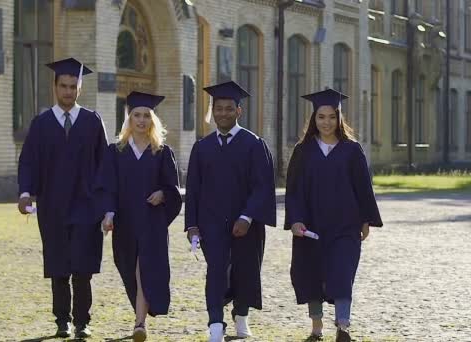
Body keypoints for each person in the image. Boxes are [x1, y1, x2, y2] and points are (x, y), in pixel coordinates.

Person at [17, 57, 108, 338]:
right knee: (58, 265)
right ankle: (62, 322)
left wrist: (106, 206)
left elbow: (104, 165)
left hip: (86, 206)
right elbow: (29, 161)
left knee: (82, 266)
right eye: (64, 86)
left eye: (73, 86)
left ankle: (82, 321)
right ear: (55, 87)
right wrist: (25, 193)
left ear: (80, 88)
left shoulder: (92, 122)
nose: (68, 91)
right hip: (53, 206)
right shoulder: (42, 124)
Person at [284, 88, 383, 342]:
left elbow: (363, 187)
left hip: (345, 225)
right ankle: (316, 328)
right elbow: (293, 190)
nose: (326, 122)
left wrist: (365, 220)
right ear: (313, 119)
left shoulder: (352, 150)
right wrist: (295, 220)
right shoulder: (303, 151)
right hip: (311, 225)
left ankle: (343, 325)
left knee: (342, 272)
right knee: (311, 274)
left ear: (339, 118)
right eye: (321, 117)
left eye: (331, 117)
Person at [185, 81, 276, 342]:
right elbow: (193, 190)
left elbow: (262, 187)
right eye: (218, 109)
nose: (222, 113)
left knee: (245, 269)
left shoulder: (253, 144)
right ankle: (215, 323)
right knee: (215, 270)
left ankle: (241, 316)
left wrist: (247, 216)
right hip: (211, 222)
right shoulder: (202, 148)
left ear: (239, 111)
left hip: (245, 222)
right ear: (212, 111)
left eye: (228, 108)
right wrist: (192, 224)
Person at [95, 91, 182, 342]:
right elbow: (107, 186)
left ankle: (139, 323)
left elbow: (173, 189)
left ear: (152, 121)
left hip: (152, 222)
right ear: (129, 119)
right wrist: (108, 214)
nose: (141, 120)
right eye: (136, 115)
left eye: (146, 116)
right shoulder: (116, 151)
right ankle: (141, 313)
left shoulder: (162, 152)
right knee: (128, 269)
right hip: (124, 222)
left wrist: (162, 194)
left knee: (144, 270)